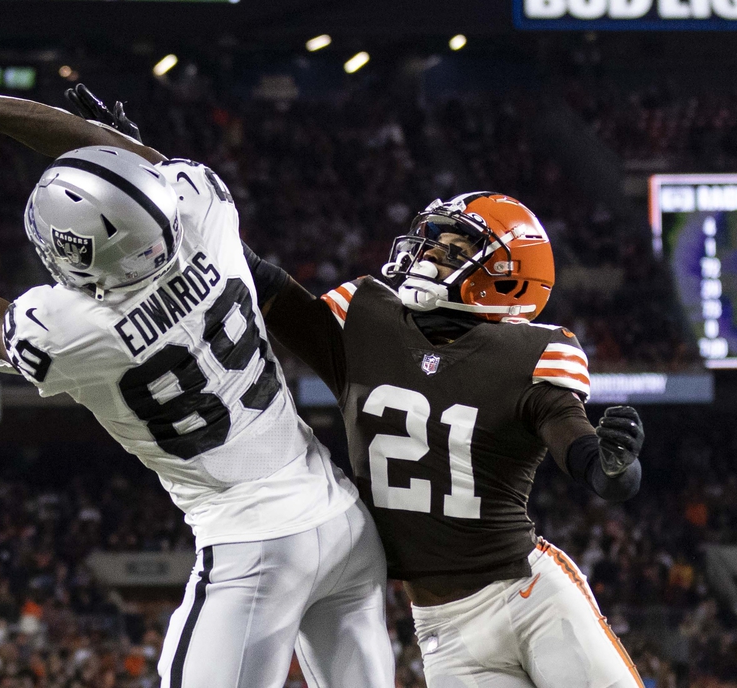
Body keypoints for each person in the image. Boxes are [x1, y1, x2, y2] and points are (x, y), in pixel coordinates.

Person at [0, 48, 394, 688]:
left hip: (252, 546)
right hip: (343, 521)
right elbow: (105, 147)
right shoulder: (206, 213)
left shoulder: (75, 330)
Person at [243, 191, 647, 687]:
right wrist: (184, 220)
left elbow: (584, 452)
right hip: (443, 630)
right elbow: (264, 285)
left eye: (455, 248)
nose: (428, 254)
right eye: (434, 243)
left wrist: (614, 468)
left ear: (508, 275)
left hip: (532, 599)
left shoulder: (531, 354)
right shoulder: (365, 320)